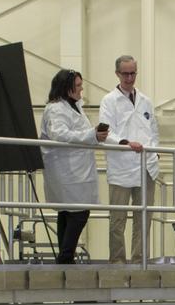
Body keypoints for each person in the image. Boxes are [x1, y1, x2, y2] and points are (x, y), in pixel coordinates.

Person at [40, 69, 107, 264]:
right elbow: (59, 134)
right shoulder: (56, 109)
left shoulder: (74, 106)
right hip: (67, 170)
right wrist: (91, 135)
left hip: (76, 170)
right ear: (66, 88)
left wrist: (95, 135)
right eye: (78, 86)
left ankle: (65, 258)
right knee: (78, 214)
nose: (81, 89)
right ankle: (65, 258)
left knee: (68, 213)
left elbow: (81, 133)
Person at [99, 55, 159, 263]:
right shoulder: (109, 101)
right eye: (125, 74)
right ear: (117, 74)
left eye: (133, 73)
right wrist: (125, 143)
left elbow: (153, 130)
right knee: (118, 220)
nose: (130, 78)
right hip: (121, 167)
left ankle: (140, 261)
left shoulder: (145, 101)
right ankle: (117, 261)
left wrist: (155, 152)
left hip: (146, 166)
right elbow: (105, 132)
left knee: (144, 218)